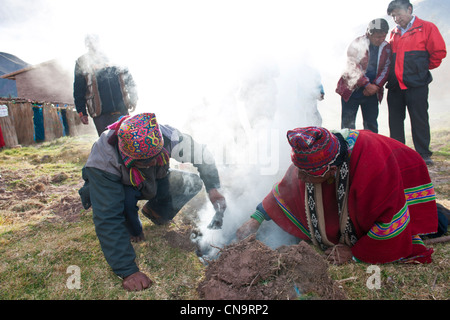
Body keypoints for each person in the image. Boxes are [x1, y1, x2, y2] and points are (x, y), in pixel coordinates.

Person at [236, 126, 439, 265]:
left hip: (402, 168)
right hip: (359, 172)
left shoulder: (373, 169)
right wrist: (256, 219)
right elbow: (286, 189)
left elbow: (389, 218)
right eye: (300, 171)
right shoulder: (314, 154)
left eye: (306, 175)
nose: (301, 178)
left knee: (428, 223)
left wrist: (354, 253)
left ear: (331, 172)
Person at [79, 113, 227, 291]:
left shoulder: (167, 136)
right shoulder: (104, 160)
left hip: (154, 179)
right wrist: (128, 271)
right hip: (123, 187)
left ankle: (156, 212)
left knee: (191, 183)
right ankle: (132, 226)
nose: (150, 164)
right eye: (144, 162)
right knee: (125, 208)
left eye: (153, 159)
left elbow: (202, 154)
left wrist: (213, 188)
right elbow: (108, 218)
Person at [386, 0, 447, 165]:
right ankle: (398, 153)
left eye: (399, 14)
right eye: (393, 16)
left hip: (417, 85)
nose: (397, 18)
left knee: (419, 118)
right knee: (395, 121)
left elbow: (439, 53)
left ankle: (423, 154)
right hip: (395, 86)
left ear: (409, 9)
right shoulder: (393, 32)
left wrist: (420, 71)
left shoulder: (427, 28)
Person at [73, 34, 139, 136]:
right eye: (89, 42)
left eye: (94, 40)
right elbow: (78, 90)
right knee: (107, 144)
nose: (92, 44)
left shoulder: (114, 56)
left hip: (121, 109)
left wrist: (134, 98)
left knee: (126, 141)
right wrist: (82, 112)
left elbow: (129, 80)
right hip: (100, 114)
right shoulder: (82, 62)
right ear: (86, 44)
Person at [336, 18, 391, 133]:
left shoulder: (386, 47)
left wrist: (375, 86)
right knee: (348, 125)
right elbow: (352, 64)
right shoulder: (357, 44)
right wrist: (366, 84)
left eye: (384, 36)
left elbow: (386, 68)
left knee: (371, 124)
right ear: (368, 34)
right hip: (352, 90)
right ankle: (349, 150)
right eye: (377, 36)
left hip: (372, 92)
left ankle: (371, 149)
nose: (381, 39)